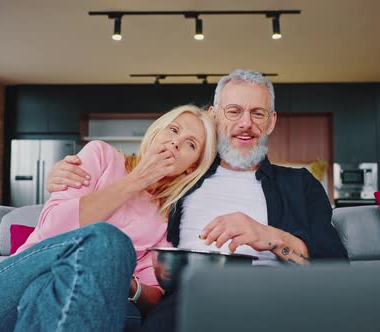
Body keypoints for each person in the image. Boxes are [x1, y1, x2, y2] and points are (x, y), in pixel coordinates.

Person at [46, 69, 348, 331]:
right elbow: (124, 205)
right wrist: (64, 177)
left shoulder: (299, 184)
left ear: (271, 122)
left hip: (276, 296)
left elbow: (334, 269)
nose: (246, 123)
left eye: (258, 113)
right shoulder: (182, 178)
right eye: (234, 111)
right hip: (188, 297)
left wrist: (268, 236)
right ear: (216, 116)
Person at [0, 105, 217, 332]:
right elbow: (52, 230)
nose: (175, 142)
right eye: (173, 130)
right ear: (156, 132)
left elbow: (153, 296)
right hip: (9, 289)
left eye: (190, 144)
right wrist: (137, 181)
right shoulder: (101, 155)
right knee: (108, 239)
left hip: (62, 300)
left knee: (61, 292)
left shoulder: (167, 217)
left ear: (191, 167)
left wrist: (120, 275)